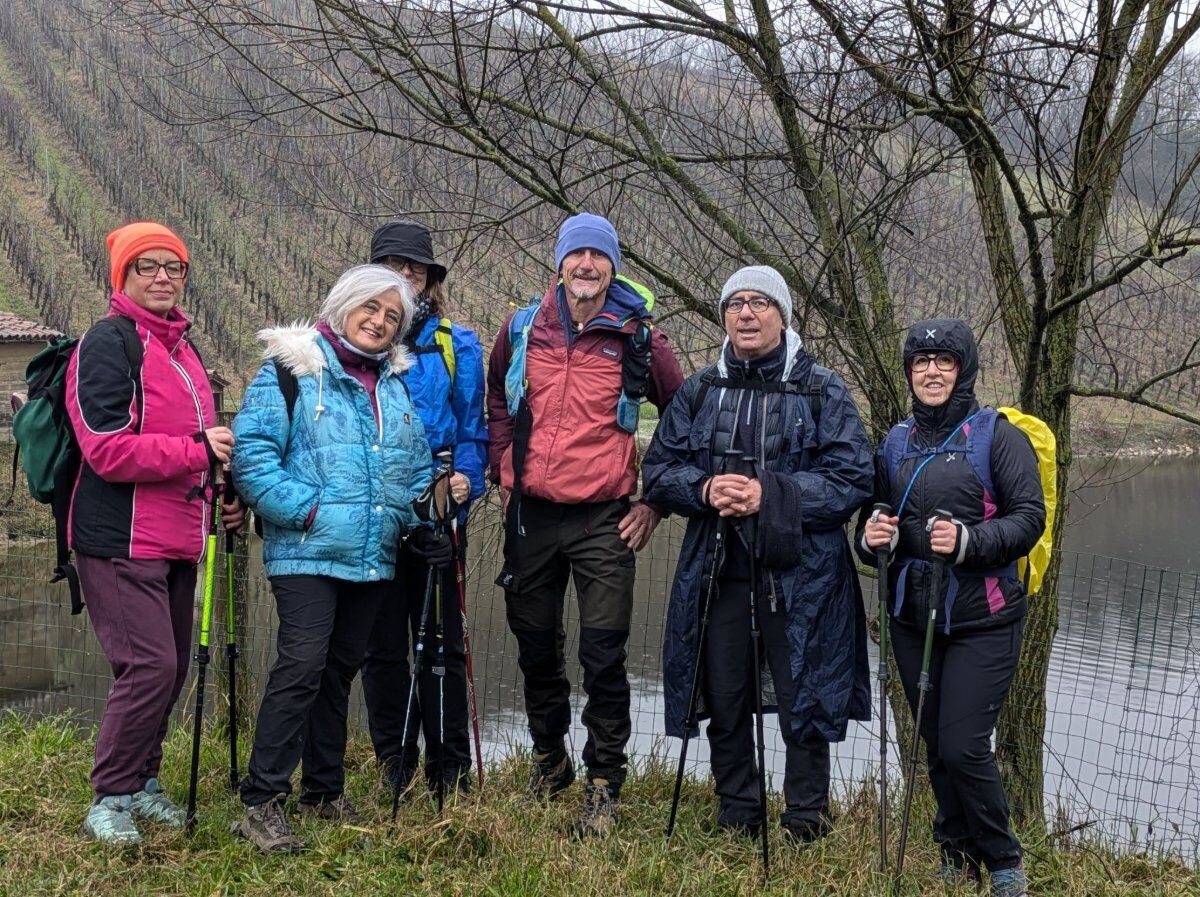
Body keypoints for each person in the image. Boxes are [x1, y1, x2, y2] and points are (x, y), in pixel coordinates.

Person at [643, 265, 873, 843]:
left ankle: (806, 819)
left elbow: (852, 480)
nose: (746, 313)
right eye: (735, 303)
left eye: (760, 303)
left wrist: (769, 494)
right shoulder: (701, 389)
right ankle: (737, 813)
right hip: (718, 568)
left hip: (804, 575)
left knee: (804, 692)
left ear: (783, 316)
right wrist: (704, 489)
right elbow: (659, 470)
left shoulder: (822, 390)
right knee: (724, 692)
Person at [486, 212, 684, 838]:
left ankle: (604, 782)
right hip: (530, 515)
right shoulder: (522, 327)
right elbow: (498, 398)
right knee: (535, 646)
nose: (587, 266)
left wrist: (655, 502)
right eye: (577, 255)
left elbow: (682, 420)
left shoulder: (640, 339)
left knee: (603, 653)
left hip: (604, 518)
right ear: (560, 263)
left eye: (599, 256)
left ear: (613, 266)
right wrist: (502, 463)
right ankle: (550, 761)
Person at [231, 264, 434, 853]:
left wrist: (424, 514)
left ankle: (323, 791)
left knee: (339, 672)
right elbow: (253, 458)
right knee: (302, 666)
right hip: (306, 552)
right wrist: (310, 513)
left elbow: (415, 467)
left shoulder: (394, 385)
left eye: (392, 316)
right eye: (370, 307)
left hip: (371, 554)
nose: (379, 322)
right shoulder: (291, 370)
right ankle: (262, 800)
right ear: (342, 306)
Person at [67, 221, 244, 844]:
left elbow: (202, 452)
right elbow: (107, 449)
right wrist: (198, 449)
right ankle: (110, 797)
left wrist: (223, 496)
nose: (164, 277)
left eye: (174, 267)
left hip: (178, 537)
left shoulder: (182, 350)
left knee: (168, 671)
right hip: (119, 538)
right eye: (148, 266)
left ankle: (143, 781)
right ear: (123, 276)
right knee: (148, 667)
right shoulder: (107, 343)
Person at [858, 319, 1043, 897]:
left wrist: (967, 542)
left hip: (983, 616)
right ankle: (956, 854)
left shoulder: (997, 436)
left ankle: (1004, 860)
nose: (932, 372)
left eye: (944, 361)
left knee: (963, 745)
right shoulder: (895, 443)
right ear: (909, 373)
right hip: (913, 616)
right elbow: (874, 520)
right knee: (935, 744)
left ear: (963, 370)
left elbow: (1028, 519)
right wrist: (871, 537)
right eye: (921, 362)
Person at [360, 220, 488, 797]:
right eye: (393, 265)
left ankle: (449, 767)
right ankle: (394, 761)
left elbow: (473, 429)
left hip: (436, 511)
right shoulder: (358, 342)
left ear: (430, 278)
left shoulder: (458, 345)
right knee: (381, 646)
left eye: (414, 267)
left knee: (443, 644)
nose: (405, 274)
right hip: (372, 514)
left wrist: (467, 480)